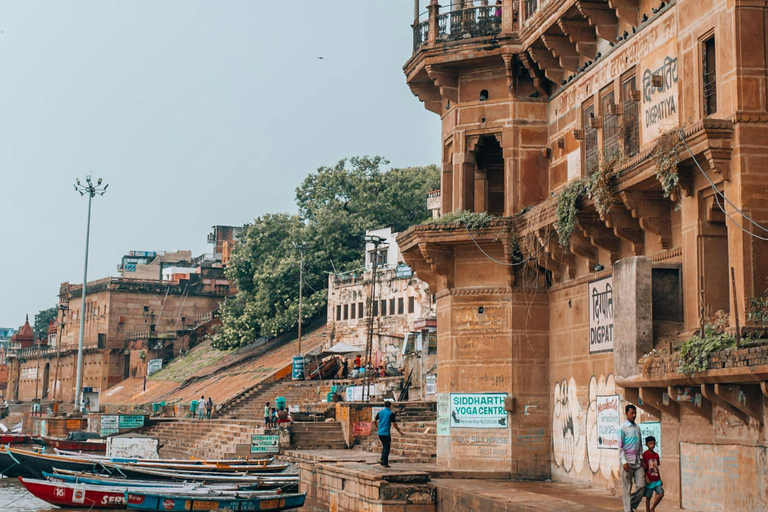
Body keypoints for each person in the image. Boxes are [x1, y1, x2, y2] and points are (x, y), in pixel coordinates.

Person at [619, 404, 645, 512]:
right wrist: (624, 462)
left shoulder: (637, 428)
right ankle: (627, 510)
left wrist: (641, 458)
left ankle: (630, 505)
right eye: (631, 413)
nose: (634, 415)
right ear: (626, 414)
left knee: (642, 486)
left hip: (637, 462)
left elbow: (640, 444)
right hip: (627, 463)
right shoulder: (622, 428)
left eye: (635, 413)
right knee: (627, 489)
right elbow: (620, 447)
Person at [373, 401, 402, 468]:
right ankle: (385, 462)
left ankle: (382, 459)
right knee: (387, 447)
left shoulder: (380, 412)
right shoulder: (390, 413)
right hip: (386, 433)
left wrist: (377, 427)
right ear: (390, 406)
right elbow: (394, 424)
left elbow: (374, 421)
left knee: (385, 447)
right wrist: (399, 431)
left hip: (380, 433)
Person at [642, 436, 664, 512]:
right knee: (648, 497)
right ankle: (648, 510)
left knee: (661, 494)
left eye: (653, 443)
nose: (652, 445)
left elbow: (657, 468)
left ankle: (653, 508)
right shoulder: (644, 455)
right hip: (649, 480)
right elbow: (643, 467)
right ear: (647, 444)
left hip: (657, 479)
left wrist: (660, 479)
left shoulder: (656, 455)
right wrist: (646, 477)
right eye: (650, 443)